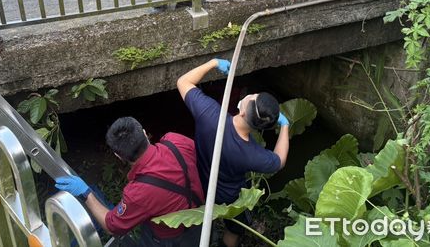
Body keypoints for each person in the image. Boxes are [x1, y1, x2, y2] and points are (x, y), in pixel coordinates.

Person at [176, 59, 290, 247]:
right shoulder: (253, 154)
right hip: (230, 199)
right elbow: (279, 160)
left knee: (200, 217)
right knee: (234, 228)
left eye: (252, 96)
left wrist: (212, 63)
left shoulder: (210, 115)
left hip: (198, 183)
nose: (251, 94)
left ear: (244, 112)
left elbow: (183, 82)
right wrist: (285, 126)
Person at [56, 117, 204, 247]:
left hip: (168, 238)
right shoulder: (176, 141)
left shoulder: (137, 193)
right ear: (145, 133)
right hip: (201, 217)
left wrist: (86, 192)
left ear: (118, 156)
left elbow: (111, 225)